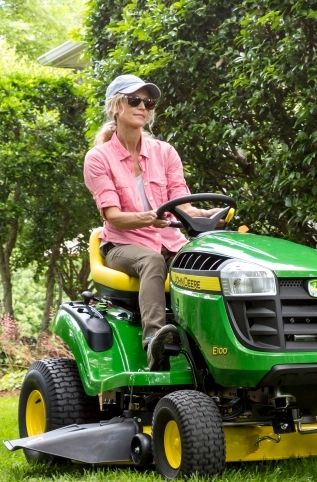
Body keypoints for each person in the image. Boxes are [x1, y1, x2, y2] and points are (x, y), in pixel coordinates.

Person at [83, 75, 224, 371]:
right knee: (152, 262)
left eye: (148, 102)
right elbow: (113, 216)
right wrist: (148, 218)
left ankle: (215, 344)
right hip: (122, 245)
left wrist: (205, 214)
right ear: (115, 107)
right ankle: (154, 343)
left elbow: (181, 203)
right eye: (134, 100)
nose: (143, 107)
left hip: (169, 240)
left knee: (210, 262)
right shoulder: (98, 158)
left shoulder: (165, 152)